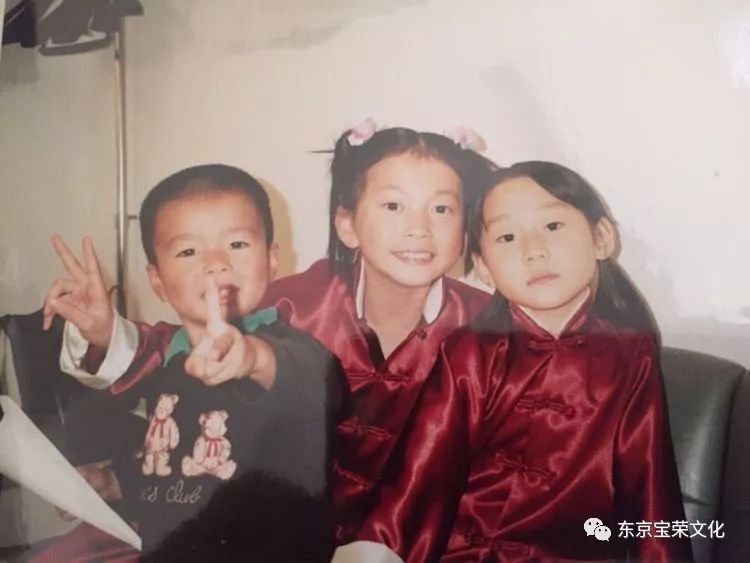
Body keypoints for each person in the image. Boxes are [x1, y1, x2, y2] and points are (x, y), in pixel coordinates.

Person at [45, 122, 497, 548]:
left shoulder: (488, 328)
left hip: (427, 536)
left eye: (441, 208)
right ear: (347, 225)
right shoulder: (298, 302)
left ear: (465, 228)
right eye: (394, 205)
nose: (419, 228)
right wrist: (106, 333)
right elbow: (195, 348)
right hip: (275, 528)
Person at [357, 161, 693, 562]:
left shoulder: (631, 356)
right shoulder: (470, 353)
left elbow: (651, 489)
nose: (534, 250)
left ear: (601, 238)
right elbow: (420, 476)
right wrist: (376, 550)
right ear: (484, 268)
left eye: (552, 226)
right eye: (507, 236)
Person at [38, 164, 339, 561]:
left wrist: (252, 357)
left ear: (271, 260)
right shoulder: (171, 363)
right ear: (157, 281)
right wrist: (111, 482)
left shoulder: (290, 350)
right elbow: (169, 466)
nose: (215, 262)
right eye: (188, 251)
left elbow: (316, 385)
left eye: (236, 244)